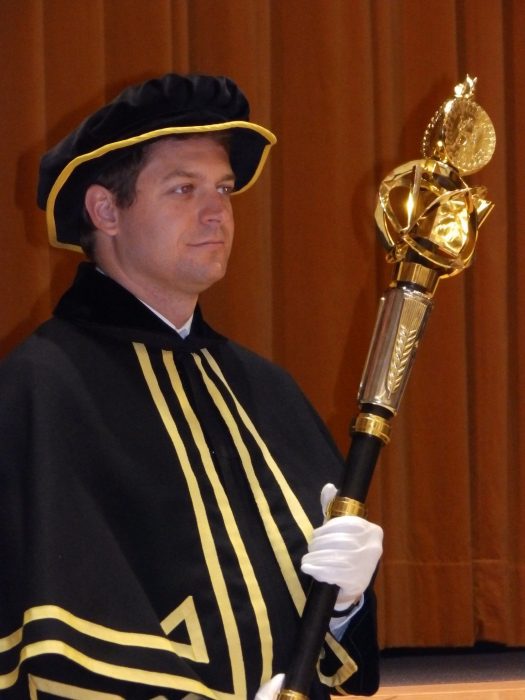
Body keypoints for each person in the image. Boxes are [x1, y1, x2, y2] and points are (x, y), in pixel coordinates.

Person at [0, 74, 383, 699]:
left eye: (223, 189)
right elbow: (57, 637)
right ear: (105, 211)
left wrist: (343, 606)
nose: (216, 213)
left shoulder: (267, 390)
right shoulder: (40, 391)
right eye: (183, 189)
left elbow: (308, 640)